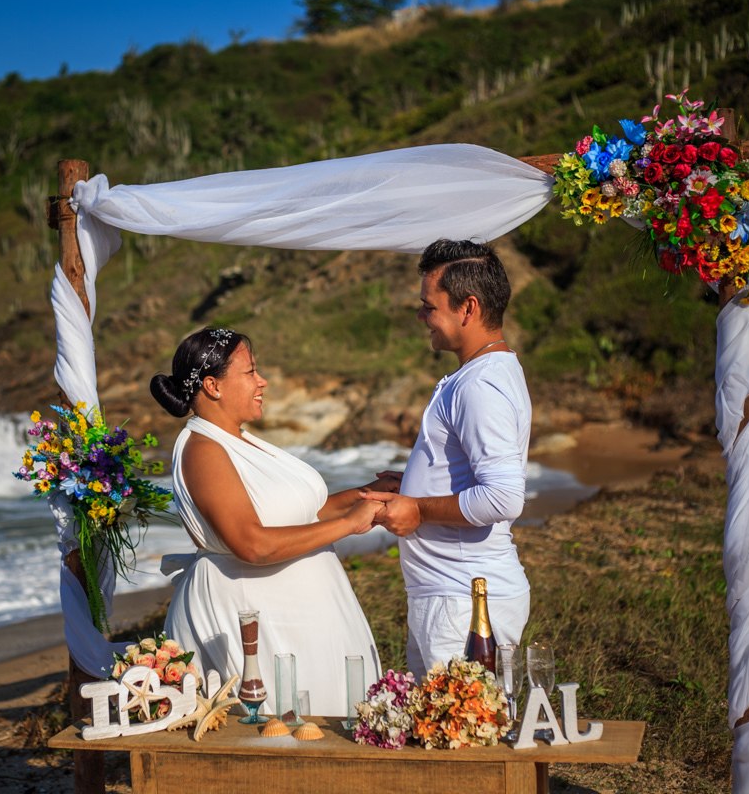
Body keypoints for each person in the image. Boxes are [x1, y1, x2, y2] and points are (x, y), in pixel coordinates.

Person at [151, 327, 392, 716]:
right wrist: (351, 524)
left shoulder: (240, 440)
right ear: (213, 385)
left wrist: (369, 493)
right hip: (253, 615)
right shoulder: (203, 450)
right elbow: (253, 544)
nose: (262, 382)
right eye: (250, 372)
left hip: (300, 615)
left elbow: (302, 512)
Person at [361, 239, 532, 679]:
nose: (421, 317)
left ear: (467, 308)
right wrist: (414, 484)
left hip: (463, 601)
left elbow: (502, 498)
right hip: (451, 593)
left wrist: (417, 507)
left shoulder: (479, 385)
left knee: (460, 743)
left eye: (429, 306)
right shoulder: (483, 373)